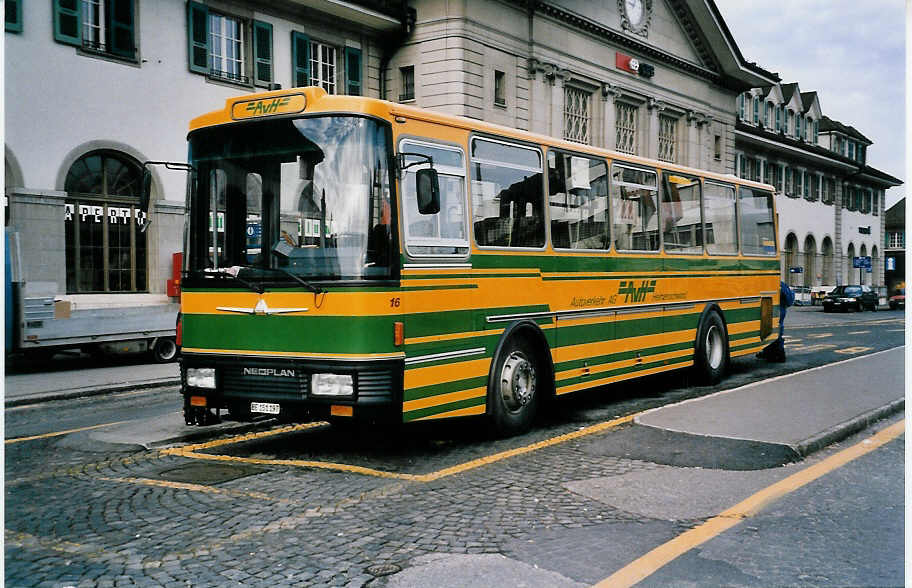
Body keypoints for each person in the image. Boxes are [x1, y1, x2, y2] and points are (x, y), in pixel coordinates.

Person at [758, 280, 794, 362]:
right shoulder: (781, 284)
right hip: (778, 309)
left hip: (775, 310)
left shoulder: (776, 284)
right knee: (774, 330)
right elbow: (789, 300)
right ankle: (774, 353)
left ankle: (778, 354)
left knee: (773, 331)